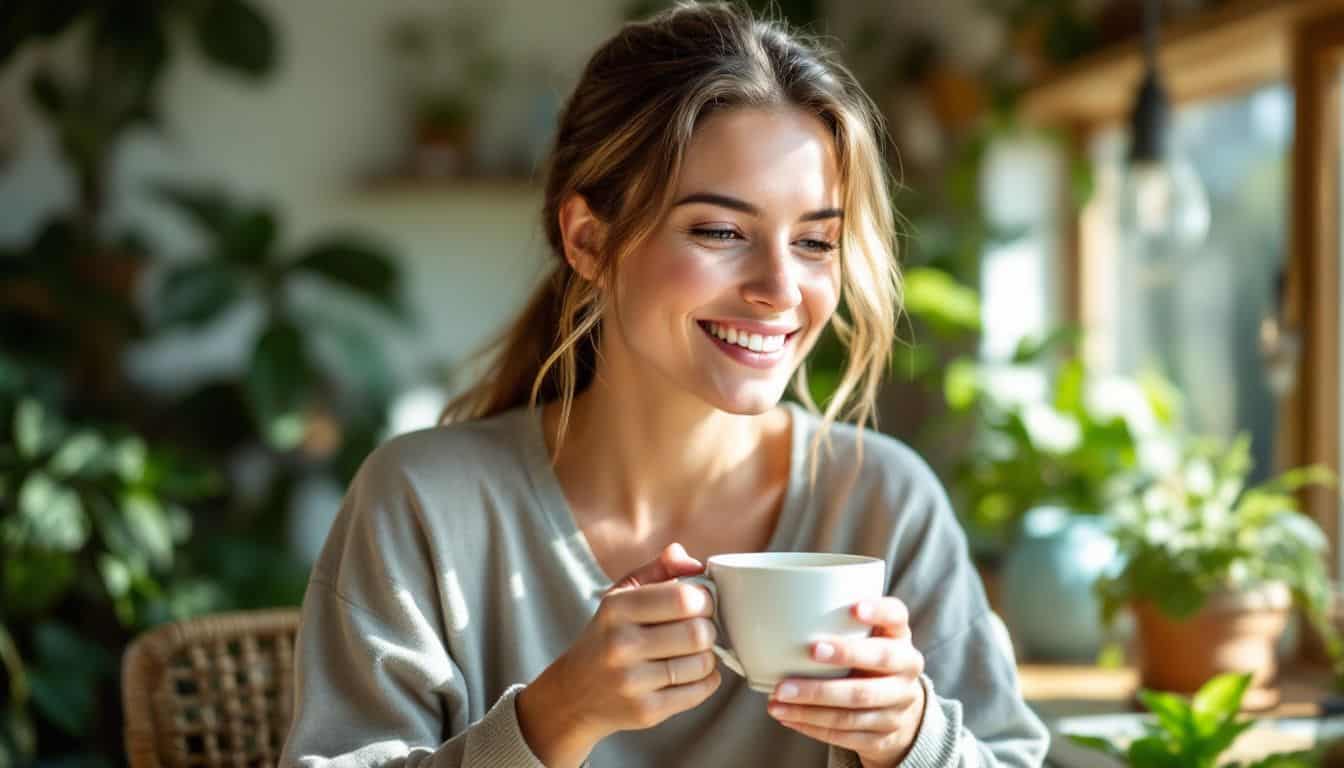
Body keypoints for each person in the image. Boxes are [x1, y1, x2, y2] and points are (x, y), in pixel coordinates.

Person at [279, 3, 1049, 766]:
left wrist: (913, 740)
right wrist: (552, 721)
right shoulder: (422, 505)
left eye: (816, 241)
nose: (781, 289)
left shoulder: (885, 503)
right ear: (588, 238)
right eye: (720, 231)